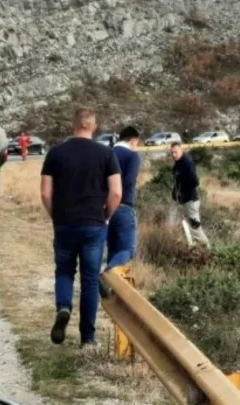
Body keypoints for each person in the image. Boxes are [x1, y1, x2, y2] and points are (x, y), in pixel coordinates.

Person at [40, 108, 122, 348]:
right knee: (89, 280)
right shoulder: (106, 154)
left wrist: (56, 216)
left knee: (64, 272)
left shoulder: (56, 153)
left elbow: (45, 193)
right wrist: (106, 216)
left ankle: (63, 307)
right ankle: (87, 338)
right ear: (94, 127)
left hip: (65, 223)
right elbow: (116, 192)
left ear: (72, 126)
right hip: (93, 224)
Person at [106, 126, 142, 270]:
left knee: (113, 250)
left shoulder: (107, 153)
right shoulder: (132, 156)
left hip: (106, 207)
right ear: (133, 141)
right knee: (128, 249)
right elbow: (129, 181)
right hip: (124, 206)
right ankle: (105, 275)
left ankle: (108, 283)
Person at [170, 143, 210, 248]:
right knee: (172, 222)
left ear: (181, 150)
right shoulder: (177, 164)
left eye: (176, 152)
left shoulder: (187, 163)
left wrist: (183, 190)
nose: (173, 155)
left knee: (194, 226)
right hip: (178, 200)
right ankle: (180, 247)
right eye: (172, 153)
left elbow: (195, 182)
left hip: (190, 200)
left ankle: (207, 247)